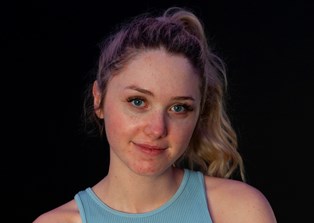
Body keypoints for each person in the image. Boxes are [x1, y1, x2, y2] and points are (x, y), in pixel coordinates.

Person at [33, 6, 277, 223]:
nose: (157, 128)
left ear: (199, 113)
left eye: (178, 108)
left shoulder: (239, 211)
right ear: (99, 100)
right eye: (138, 101)